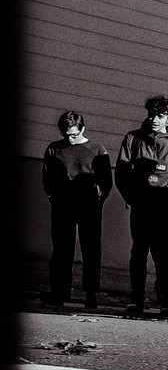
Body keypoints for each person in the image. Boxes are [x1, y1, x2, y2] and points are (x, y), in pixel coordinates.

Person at [114, 95, 168, 317]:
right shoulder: (133, 138)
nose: (155, 119)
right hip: (141, 205)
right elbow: (121, 173)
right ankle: (136, 300)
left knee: (164, 254)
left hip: (165, 205)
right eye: (152, 114)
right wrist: (132, 197)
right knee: (139, 252)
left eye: (160, 115)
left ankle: (166, 300)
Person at [41, 110, 112, 309]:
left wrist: (98, 199)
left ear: (82, 129)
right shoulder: (54, 149)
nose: (70, 139)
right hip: (63, 206)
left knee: (90, 250)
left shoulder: (97, 150)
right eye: (66, 135)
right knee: (62, 250)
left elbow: (106, 181)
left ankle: (91, 294)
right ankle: (59, 293)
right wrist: (53, 196)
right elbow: (47, 178)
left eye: (74, 134)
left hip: (89, 206)